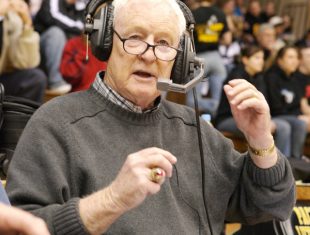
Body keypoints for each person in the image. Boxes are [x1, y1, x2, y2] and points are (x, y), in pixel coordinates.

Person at [6, 0, 295, 234]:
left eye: (164, 44)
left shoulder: (195, 129)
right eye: (134, 38)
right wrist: (112, 200)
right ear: (105, 43)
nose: (149, 54)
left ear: (180, 60)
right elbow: (21, 227)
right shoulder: (55, 123)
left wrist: (260, 138)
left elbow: (272, 206)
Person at [215, 45, 291, 157]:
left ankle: (283, 163)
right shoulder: (236, 76)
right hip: (227, 119)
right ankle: (272, 164)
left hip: (249, 116)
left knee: (284, 126)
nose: (261, 61)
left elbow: (264, 103)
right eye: (257, 58)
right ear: (245, 60)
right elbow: (244, 107)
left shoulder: (258, 77)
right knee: (281, 127)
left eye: (262, 58)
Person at [187, 0, 230, 117]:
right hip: (216, 58)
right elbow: (227, 40)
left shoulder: (193, 13)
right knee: (220, 98)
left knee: (192, 101)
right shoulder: (220, 13)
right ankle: (215, 109)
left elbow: (186, 38)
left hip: (199, 58)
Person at [34, 0, 86, 95]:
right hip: (40, 49)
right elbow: (54, 17)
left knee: (86, 40)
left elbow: (86, 24)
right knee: (56, 33)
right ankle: (56, 82)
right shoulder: (53, 2)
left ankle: (83, 84)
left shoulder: (81, 5)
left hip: (65, 47)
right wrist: (81, 28)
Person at [264, 46, 307, 159]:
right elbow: (275, 106)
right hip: (274, 115)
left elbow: (297, 104)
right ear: (280, 60)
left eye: (297, 57)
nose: (295, 61)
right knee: (293, 124)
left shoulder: (295, 78)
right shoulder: (271, 77)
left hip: (288, 115)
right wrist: (296, 115)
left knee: (300, 123)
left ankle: (296, 159)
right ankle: (282, 161)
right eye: (290, 57)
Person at [0, 0, 47, 103]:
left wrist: (26, 23)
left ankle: (20, 118)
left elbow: (28, 63)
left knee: (35, 78)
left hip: (4, 78)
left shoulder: (12, 18)